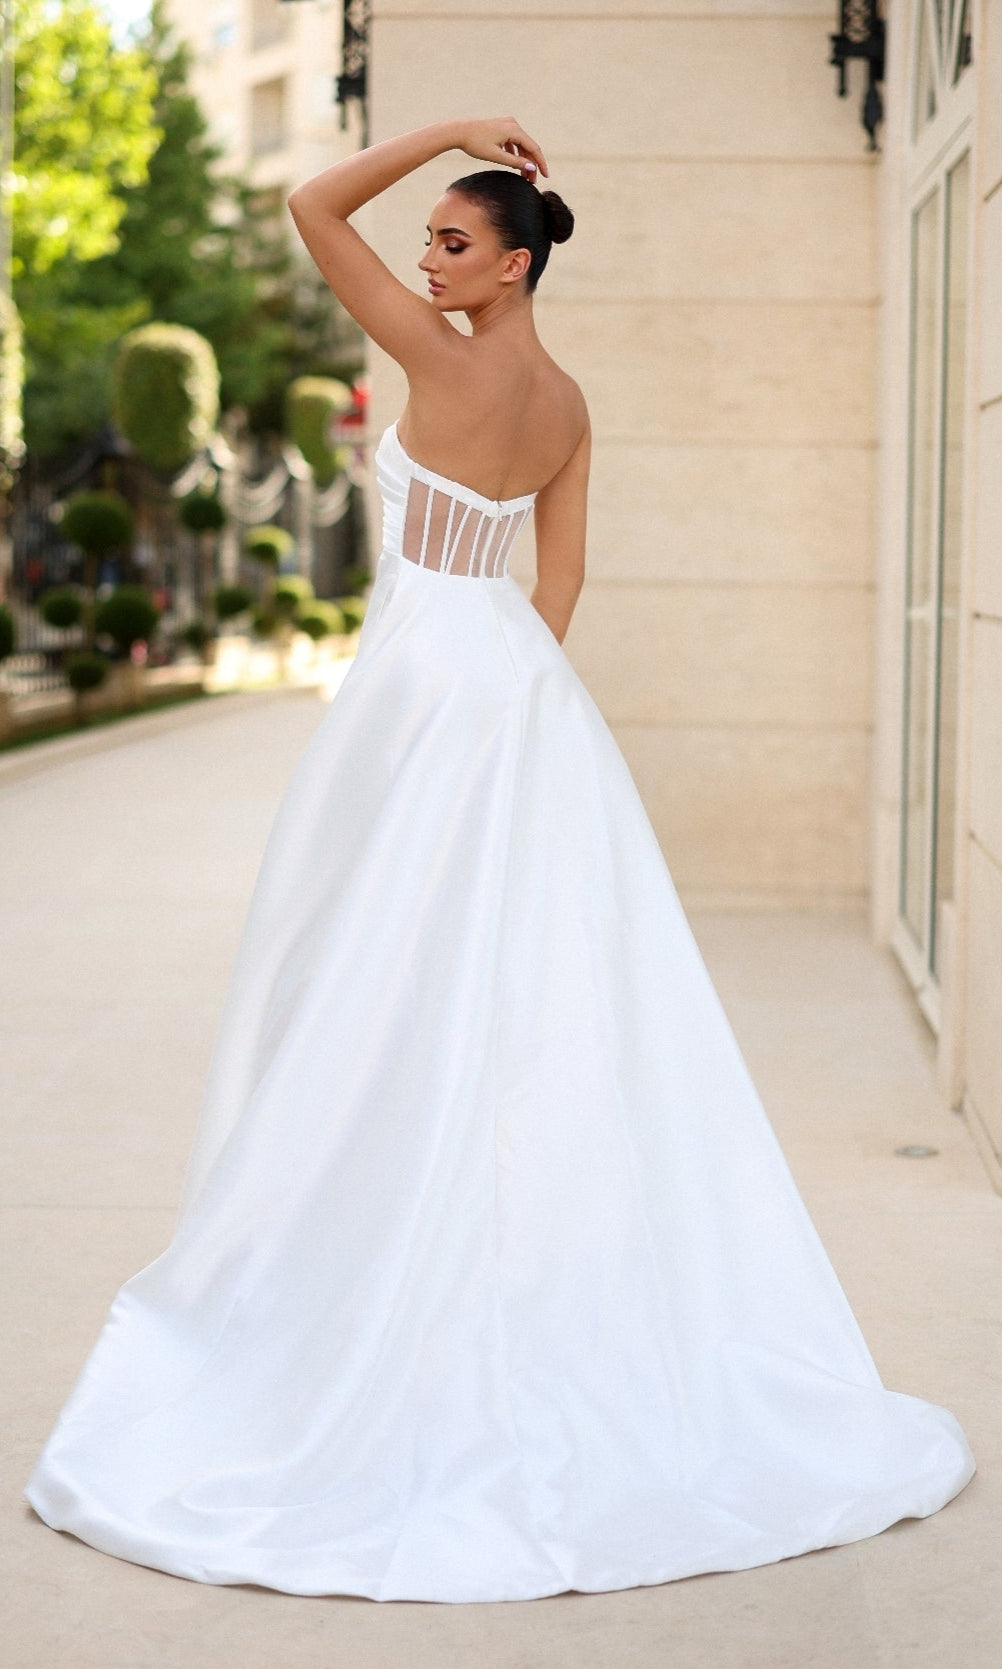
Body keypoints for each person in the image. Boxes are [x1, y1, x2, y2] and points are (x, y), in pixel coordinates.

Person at [24, 117, 975, 1605]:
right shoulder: (568, 402)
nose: (426, 260)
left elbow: (309, 202)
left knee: (366, 965)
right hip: (515, 687)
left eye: (454, 241)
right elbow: (562, 575)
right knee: (527, 976)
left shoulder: (434, 356)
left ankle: (367, 1232)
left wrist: (445, 132)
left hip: (420, 690)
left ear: (515, 265)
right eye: (429, 241)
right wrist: (508, 688)